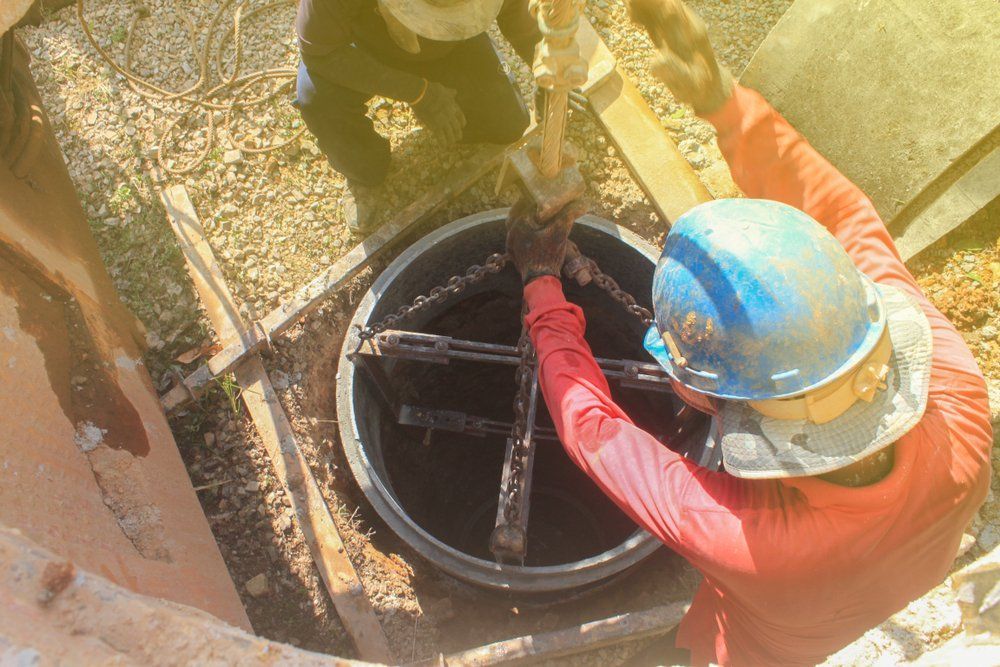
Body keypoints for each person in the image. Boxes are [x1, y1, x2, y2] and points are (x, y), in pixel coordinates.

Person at [503, 0, 994, 664]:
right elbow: (846, 217)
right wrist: (727, 107)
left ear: (735, 410)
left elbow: (593, 432)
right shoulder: (956, 393)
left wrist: (539, 278)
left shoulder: (749, 538)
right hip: (903, 587)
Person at [295, 0, 539, 232]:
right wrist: (419, 93)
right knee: (318, 101)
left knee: (508, 122)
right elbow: (320, 53)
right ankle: (364, 174)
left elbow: (517, 12)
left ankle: (449, 105)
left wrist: (548, 69)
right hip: (362, 45)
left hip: (447, 42)